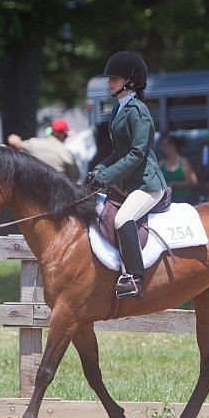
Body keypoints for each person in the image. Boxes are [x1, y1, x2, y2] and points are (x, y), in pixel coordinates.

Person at [88, 50, 167, 300]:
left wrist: (108, 176)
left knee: (123, 219)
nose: (109, 82)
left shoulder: (139, 111)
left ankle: (135, 278)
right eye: (110, 78)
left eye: (114, 78)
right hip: (129, 183)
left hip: (147, 184)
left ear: (130, 81)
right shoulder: (118, 110)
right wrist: (100, 169)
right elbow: (117, 151)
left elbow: (136, 154)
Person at [7, 119, 80, 182]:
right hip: (57, 193)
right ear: (61, 135)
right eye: (66, 135)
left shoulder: (34, 144)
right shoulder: (66, 152)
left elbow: (13, 141)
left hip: (34, 190)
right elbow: (74, 177)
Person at [158, 135, 199, 203]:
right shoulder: (162, 163)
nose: (162, 149)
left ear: (172, 147)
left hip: (182, 198)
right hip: (165, 198)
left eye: (164, 146)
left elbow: (193, 182)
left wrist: (175, 184)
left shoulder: (183, 163)